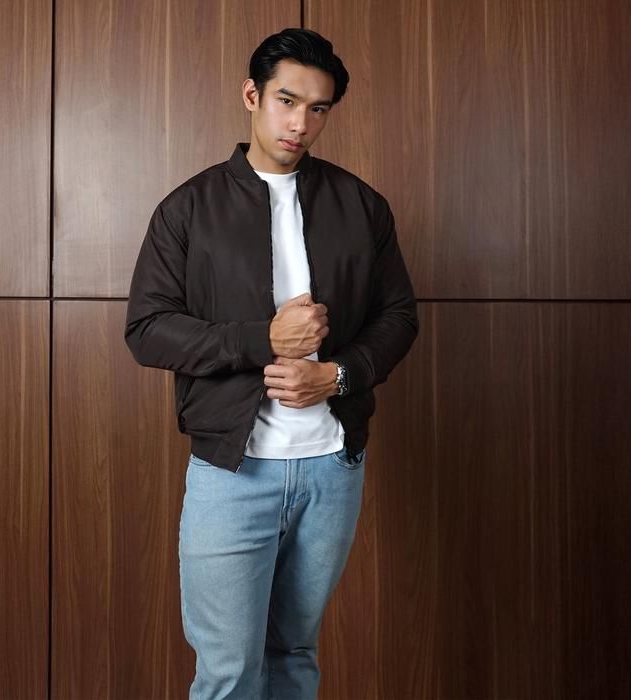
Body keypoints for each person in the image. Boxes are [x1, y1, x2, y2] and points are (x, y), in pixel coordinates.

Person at [124, 27, 418, 700]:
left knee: (294, 656)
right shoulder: (188, 209)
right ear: (252, 95)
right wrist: (264, 340)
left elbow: (399, 317)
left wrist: (336, 375)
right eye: (287, 101)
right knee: (229, 672)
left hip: (332, 468)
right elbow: (147, 331)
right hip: (232, 473)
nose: (300, 124)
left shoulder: (361, 205)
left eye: (318, 109)